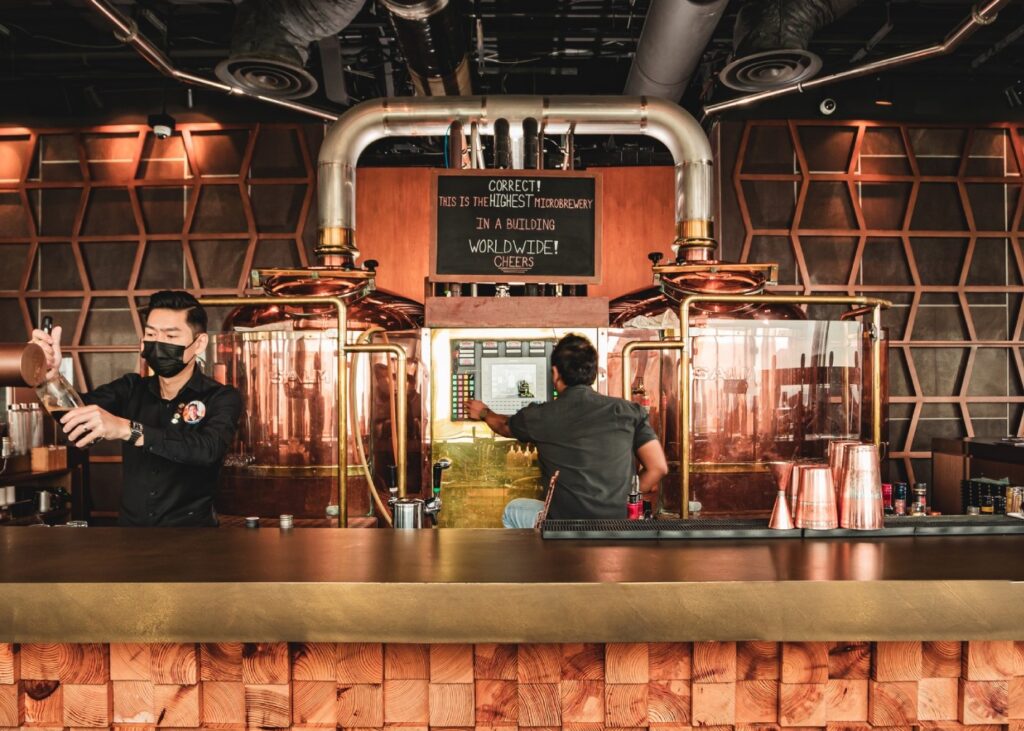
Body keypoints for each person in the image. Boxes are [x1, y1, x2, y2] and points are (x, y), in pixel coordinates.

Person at [31, 290, 242, 527]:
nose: (158, 343)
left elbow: (207, 450)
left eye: (171, 336)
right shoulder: (131, 388)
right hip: (131, 536)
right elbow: (74, 417)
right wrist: (48, 377)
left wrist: (127, 429)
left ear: (199, 342)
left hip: (193, 539)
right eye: (151, 333)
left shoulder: (221, 397)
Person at [467, 334, 668, 527]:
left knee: (512, 510)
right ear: (594, 373)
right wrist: (622, 498)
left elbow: (504, 426)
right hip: (615, 525)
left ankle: (540, 561)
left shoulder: (539, 415)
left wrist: (483, 412)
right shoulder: (629, 411)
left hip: (562, 528)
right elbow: (658, 467)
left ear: (555, 372)